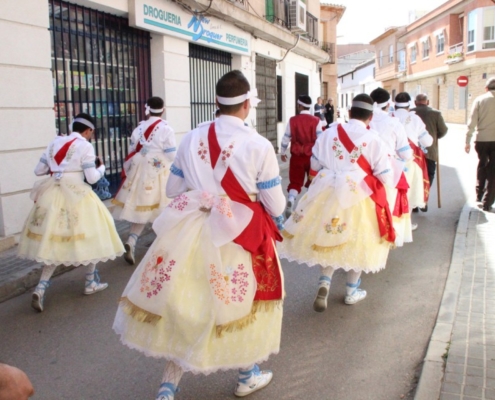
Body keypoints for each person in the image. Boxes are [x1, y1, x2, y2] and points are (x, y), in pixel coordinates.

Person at [113, 70, 286, 400]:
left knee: (186, 302)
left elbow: (175, 188)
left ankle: (169, 386)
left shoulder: (192, 137)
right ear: (247, 104)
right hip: (239, 232)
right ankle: (247, 374)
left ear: (217, 102)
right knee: (238, 303)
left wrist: (204, 191)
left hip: (191, 230)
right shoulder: (259, 145)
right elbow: (275, 203)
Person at [278, 94, 395, 312]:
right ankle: (351, 290)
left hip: (327, 189)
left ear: (349, 113)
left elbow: (314, 162)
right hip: (358, 193)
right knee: (356, 242)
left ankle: (325, 281)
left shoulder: (330, 132)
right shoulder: (374, 140)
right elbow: (386, 176)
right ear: (370, 117)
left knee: (328, 236)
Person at [17, 113, 124, 312]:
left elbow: (39, 171)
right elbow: (92, 178)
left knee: (53, 241)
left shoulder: (54, 143)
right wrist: (102, 168)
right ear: (88, 130)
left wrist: (58, 168)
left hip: (53, 193)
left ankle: (41, 287)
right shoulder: (85, 146)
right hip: (77, 193)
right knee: (93, 235)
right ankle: (90, 282)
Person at [112, 97, 177, 265]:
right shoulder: (166, 129)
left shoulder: (139, 127)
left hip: (139, 169)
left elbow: (132, 149)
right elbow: (171, 154)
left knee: (142, 208)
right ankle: (162, 249)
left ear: (148, 109)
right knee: (163, 209)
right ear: (163, 109)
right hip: (158, 171)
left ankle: (132, 242)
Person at [369, 87, 414, 244]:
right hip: (388, 170)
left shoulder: (365, 120)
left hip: (364, 170)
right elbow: (405, 153)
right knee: (388, 203)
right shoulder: (393, 123)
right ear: (388, 104)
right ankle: (388, 235)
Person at [280, 95, 325, 218]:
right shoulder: (316, 121)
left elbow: (286, 138)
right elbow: (320, 139)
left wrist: (283, 152)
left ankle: (291, 199)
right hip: (312, 157)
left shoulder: (292, 120)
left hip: (296, 156)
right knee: (313, 181)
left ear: (299, 106)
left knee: (295, 181)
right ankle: (309, 207)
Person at [393, 92, 433, 221]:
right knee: (408, 192)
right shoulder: (414, 119)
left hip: (391, 161)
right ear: (409, 104)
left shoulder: (389, 117)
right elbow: (427, 141)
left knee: (392, 192)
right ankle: (406, 225)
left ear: (394, 103)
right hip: (411, 160)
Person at [411, 93, 448, 212]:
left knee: (413, 176)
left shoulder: (410, 113)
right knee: (429, 175)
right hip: (429, 151)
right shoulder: (436, 113)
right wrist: (435, 136)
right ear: (427, 102)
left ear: (415, 102)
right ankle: (423, 199)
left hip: (413, 151)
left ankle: (414, 202)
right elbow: (443, 130)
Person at [465, 77, 495, 211]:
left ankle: (479, 194)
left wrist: (467, 140)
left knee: (482, 165)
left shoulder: (479, 100)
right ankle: (487, 202)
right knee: (493, 171)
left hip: (482, 139)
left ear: (486, 88)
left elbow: (472, 122)